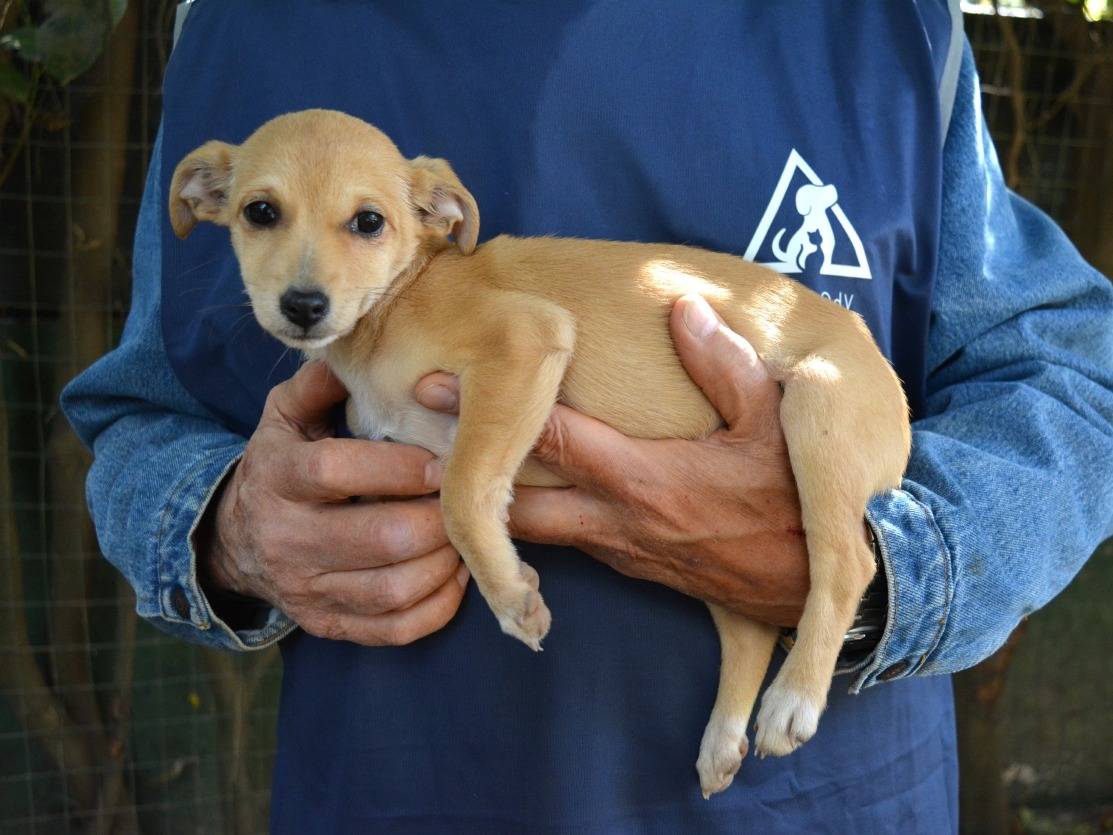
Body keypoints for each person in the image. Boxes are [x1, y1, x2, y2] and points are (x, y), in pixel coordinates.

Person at [62, 2, 1113, 832]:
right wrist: (226, 531)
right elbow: (139, 421)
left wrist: (887, 562)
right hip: (404, 797)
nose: (305, 271)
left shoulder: (887, 24)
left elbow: (1079, 380)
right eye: (261, 216)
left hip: (818, 803)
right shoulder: (239, 25)